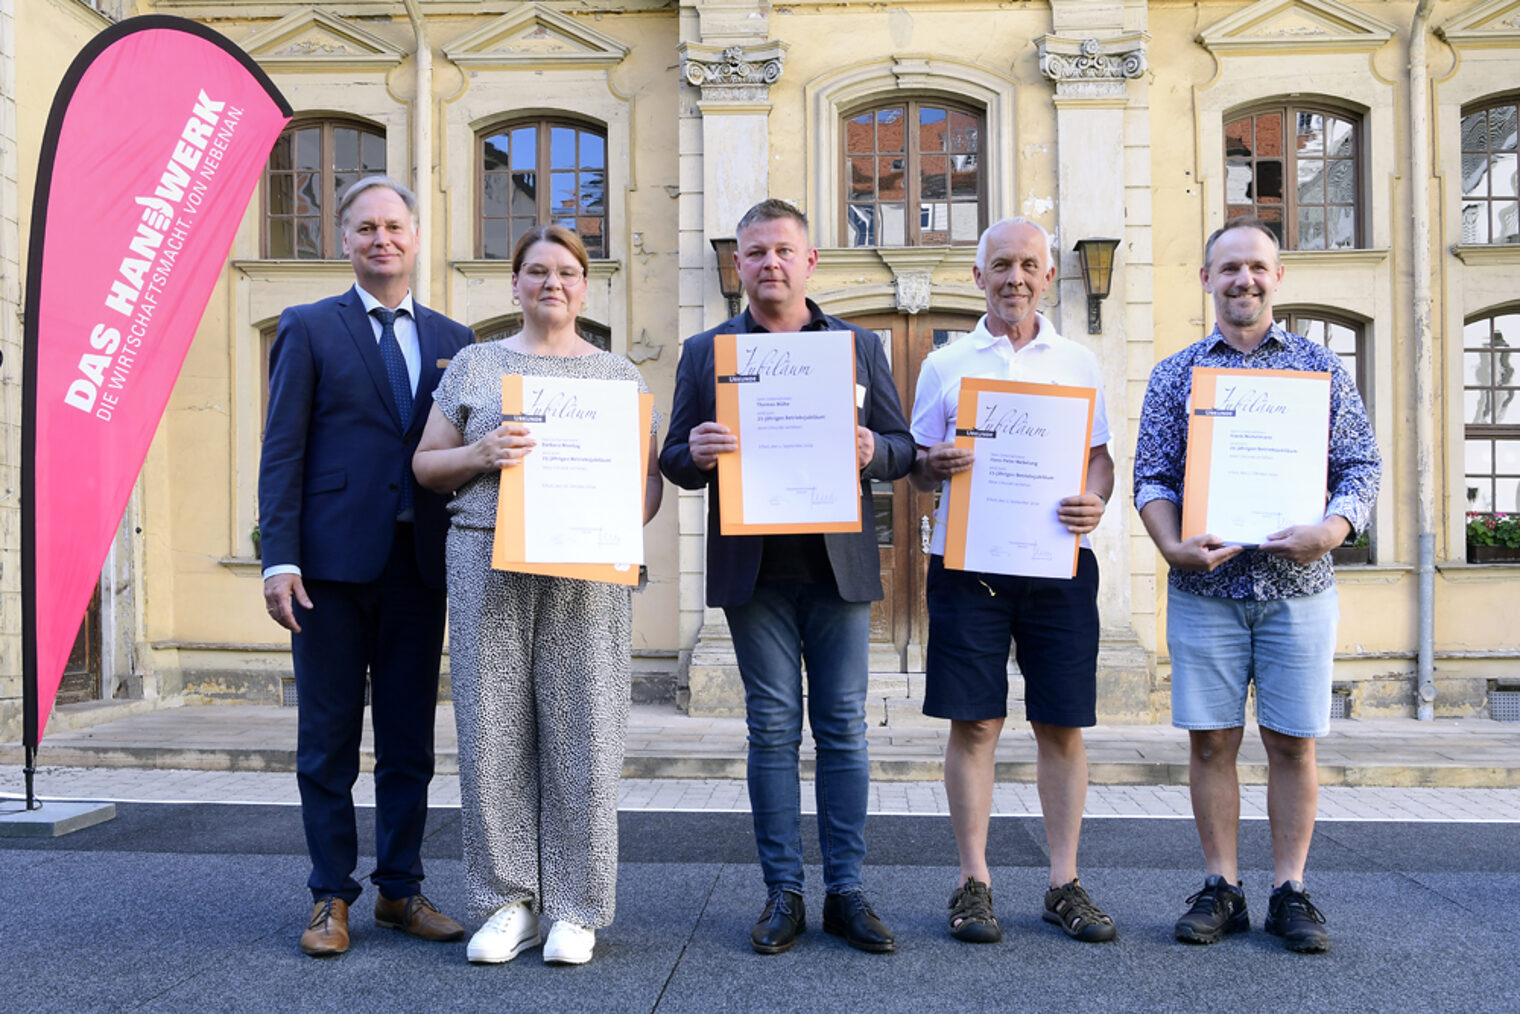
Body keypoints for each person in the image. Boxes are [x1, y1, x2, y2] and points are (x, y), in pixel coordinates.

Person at [660, 199, 914, 955]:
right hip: (756, 571)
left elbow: (905, 450)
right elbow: (674, 459)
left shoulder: (858, 347)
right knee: (771, 730)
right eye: (755, 252)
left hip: (838, 568)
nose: (770, 263)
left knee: (841, 730)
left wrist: (876, 450)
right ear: (737, 266)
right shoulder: (708, 352)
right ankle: (783, 892)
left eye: (783, 251)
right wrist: (696, 450)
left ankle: (846, 891)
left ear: (810, 263)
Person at [412, 225, 663, 967]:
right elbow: (427, 465)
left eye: (567, 272)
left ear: (586, 287)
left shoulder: (620, 376)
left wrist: (619, 513)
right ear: (514, 284)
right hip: (486, 553)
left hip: (585, 568)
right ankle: (505, 902)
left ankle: (577, 908)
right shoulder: (476, 366)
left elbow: (645, 486)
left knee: (585, 729)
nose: (552, 283)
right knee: (492, 730)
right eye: (536, 271)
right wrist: (479, 454)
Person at [1133, 217, 1380, 954]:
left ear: (1277, 278)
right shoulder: (1176, 373)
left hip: (1297, 591)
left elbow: (1360, 468)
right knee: (1210, 743)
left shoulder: (1320, 368)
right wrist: (1172, 545)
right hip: (1205, 593)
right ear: (1206, 279)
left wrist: (1331, 532)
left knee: (1293, 744)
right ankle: (1222, 887)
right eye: (1229, 268)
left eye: (1257, 268)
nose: (1244, 279)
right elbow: (1152, 476)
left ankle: (1290, 891)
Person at [259, 176, 471, 957]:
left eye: (395, 227)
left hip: (419, 569)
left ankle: (401, 891)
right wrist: (277, 558)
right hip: (328, 574)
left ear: (416, 237)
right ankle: (329, 898)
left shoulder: (457, 341)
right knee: (328, 742)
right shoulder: (310, 327)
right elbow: (281, 449)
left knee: (411, 741)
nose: (382, 239)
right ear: (344, 240)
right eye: (365, 228)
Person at [908, 217, 1117, 945]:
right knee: (976, 722)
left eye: (1029, 265)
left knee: (1061, 724)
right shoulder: (946, 364)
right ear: (978, 276)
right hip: (970, 565)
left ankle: (1064, 882)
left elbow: (1100, 459)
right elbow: (915, 467)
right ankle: (974, 881)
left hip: (1057, 562)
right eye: (1001, 265)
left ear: (1049, 275)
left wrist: (1097, 497)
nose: (1015, 278)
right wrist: (931, 466)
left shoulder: (1080, 362)